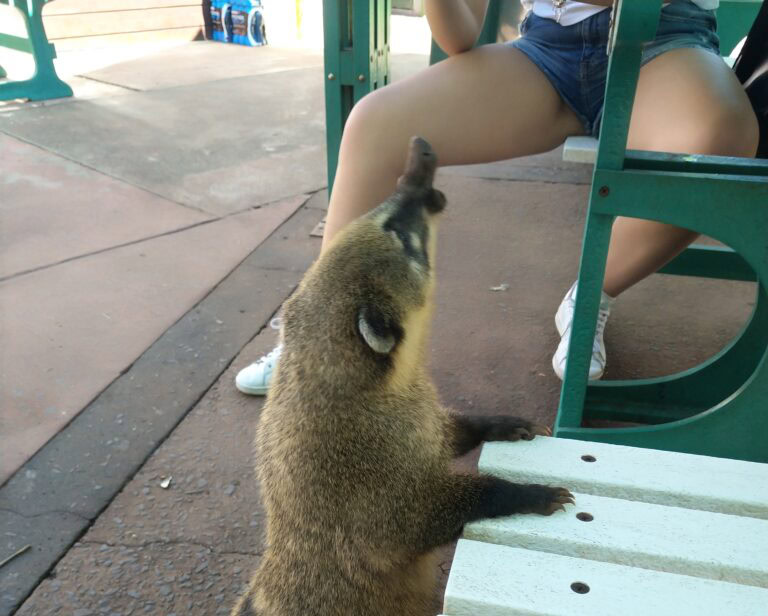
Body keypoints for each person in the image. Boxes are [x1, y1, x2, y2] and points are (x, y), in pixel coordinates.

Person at [234, 0, 758, 395]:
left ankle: (592, 294)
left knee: (716, 142)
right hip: (547, 52)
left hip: (664, 44)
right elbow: (460, 34)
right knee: (375, 124)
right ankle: (322, 335)